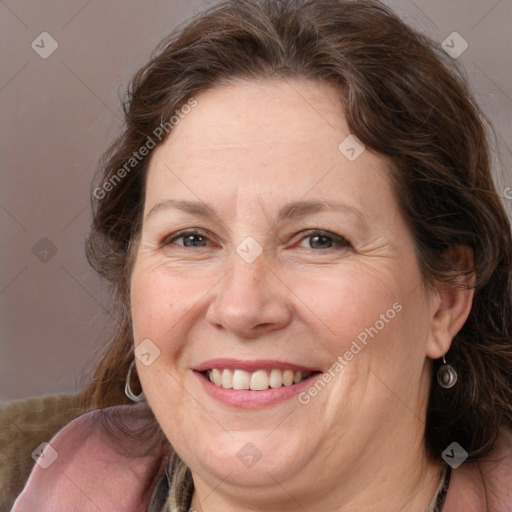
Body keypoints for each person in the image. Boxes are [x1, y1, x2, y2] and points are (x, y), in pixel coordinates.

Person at [12, 0, 512, 510]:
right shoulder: (45, 474)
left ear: (446, 298)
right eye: (190, 238)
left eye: (319, 239)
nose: (241, 308)